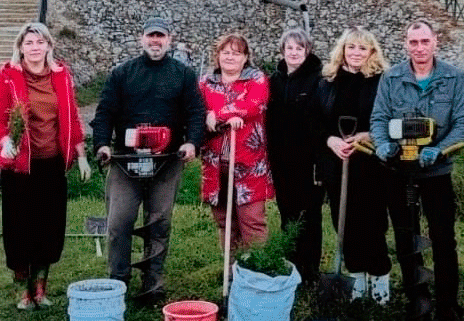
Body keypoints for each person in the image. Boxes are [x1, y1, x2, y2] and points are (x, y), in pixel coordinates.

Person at [91, 16, 205, 304]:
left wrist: (192, 142)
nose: (155, 41)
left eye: (161, 36)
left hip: (167, 160)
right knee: (119, 222)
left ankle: (153, 282)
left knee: (160, 221)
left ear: (169, 39)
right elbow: (104, 112)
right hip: (125, 160)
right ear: (142, 38)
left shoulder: (183, 74)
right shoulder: (122, 73)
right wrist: (103, 145)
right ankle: (118, 281)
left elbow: (195, 112)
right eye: (151, 36)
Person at [370, 19, 464, 321]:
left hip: (436, 172)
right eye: (413, 42)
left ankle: (447, 302)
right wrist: (382, 145)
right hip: (398, 172)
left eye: (424, 41)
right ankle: (416, 298)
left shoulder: (454, 78)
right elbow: (379, 119)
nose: (419, 48)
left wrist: (439, 149)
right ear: (406, 44)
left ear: (435, 42)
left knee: (443, 237)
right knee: (405, 237)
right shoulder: (391, 78)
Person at [0, 22, 90, 310]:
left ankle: (41, 289)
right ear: (21, 47)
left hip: (51, 165)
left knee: (49, 227)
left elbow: (72, 118)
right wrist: (5, 139)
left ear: (49, 46)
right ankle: (22, 290)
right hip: (21, 167)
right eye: (29, 43)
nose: (35, 48)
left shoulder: (61, 77)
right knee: (20, 228)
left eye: (40, 42)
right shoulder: (7, 78)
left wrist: (80, 155)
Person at [314, 26, 391, 302]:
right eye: (351, 47)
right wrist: (331, 140)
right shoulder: (327, 82)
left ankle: (380, 278)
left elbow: (389, 118)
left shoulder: (382, 82)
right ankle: (355, 277)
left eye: (362, 48)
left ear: (372, 52)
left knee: (373, 222)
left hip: (371, 163)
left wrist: (367, 135)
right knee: (343, 220)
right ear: (342, 50)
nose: (356, 53)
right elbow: (315, 121)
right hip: (338, 162)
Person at [199, 33, 272, 255]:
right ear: (218, 55)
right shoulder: (205, 82)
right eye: (226, 52)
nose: (230, 57)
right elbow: (194, 110)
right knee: (225, 219)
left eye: (236, 53)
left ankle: (257, 269)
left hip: (248, 162)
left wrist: (217, 114)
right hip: (214, 162)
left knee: (251, 220)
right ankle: (232, 270)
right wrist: (205, 116)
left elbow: (253, 105)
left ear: (245, 57)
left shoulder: (257, 80)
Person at [265, 28, 324, 283]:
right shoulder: (274, 80)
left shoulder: (319, 79)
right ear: (282, 51)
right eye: (289, 48)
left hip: (308, 161)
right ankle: (290, 268)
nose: (294, 53)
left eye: (299, 48)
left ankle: (309, 271)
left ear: (307, 51)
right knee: (286, 211)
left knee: (308, 215)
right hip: (280, 160)